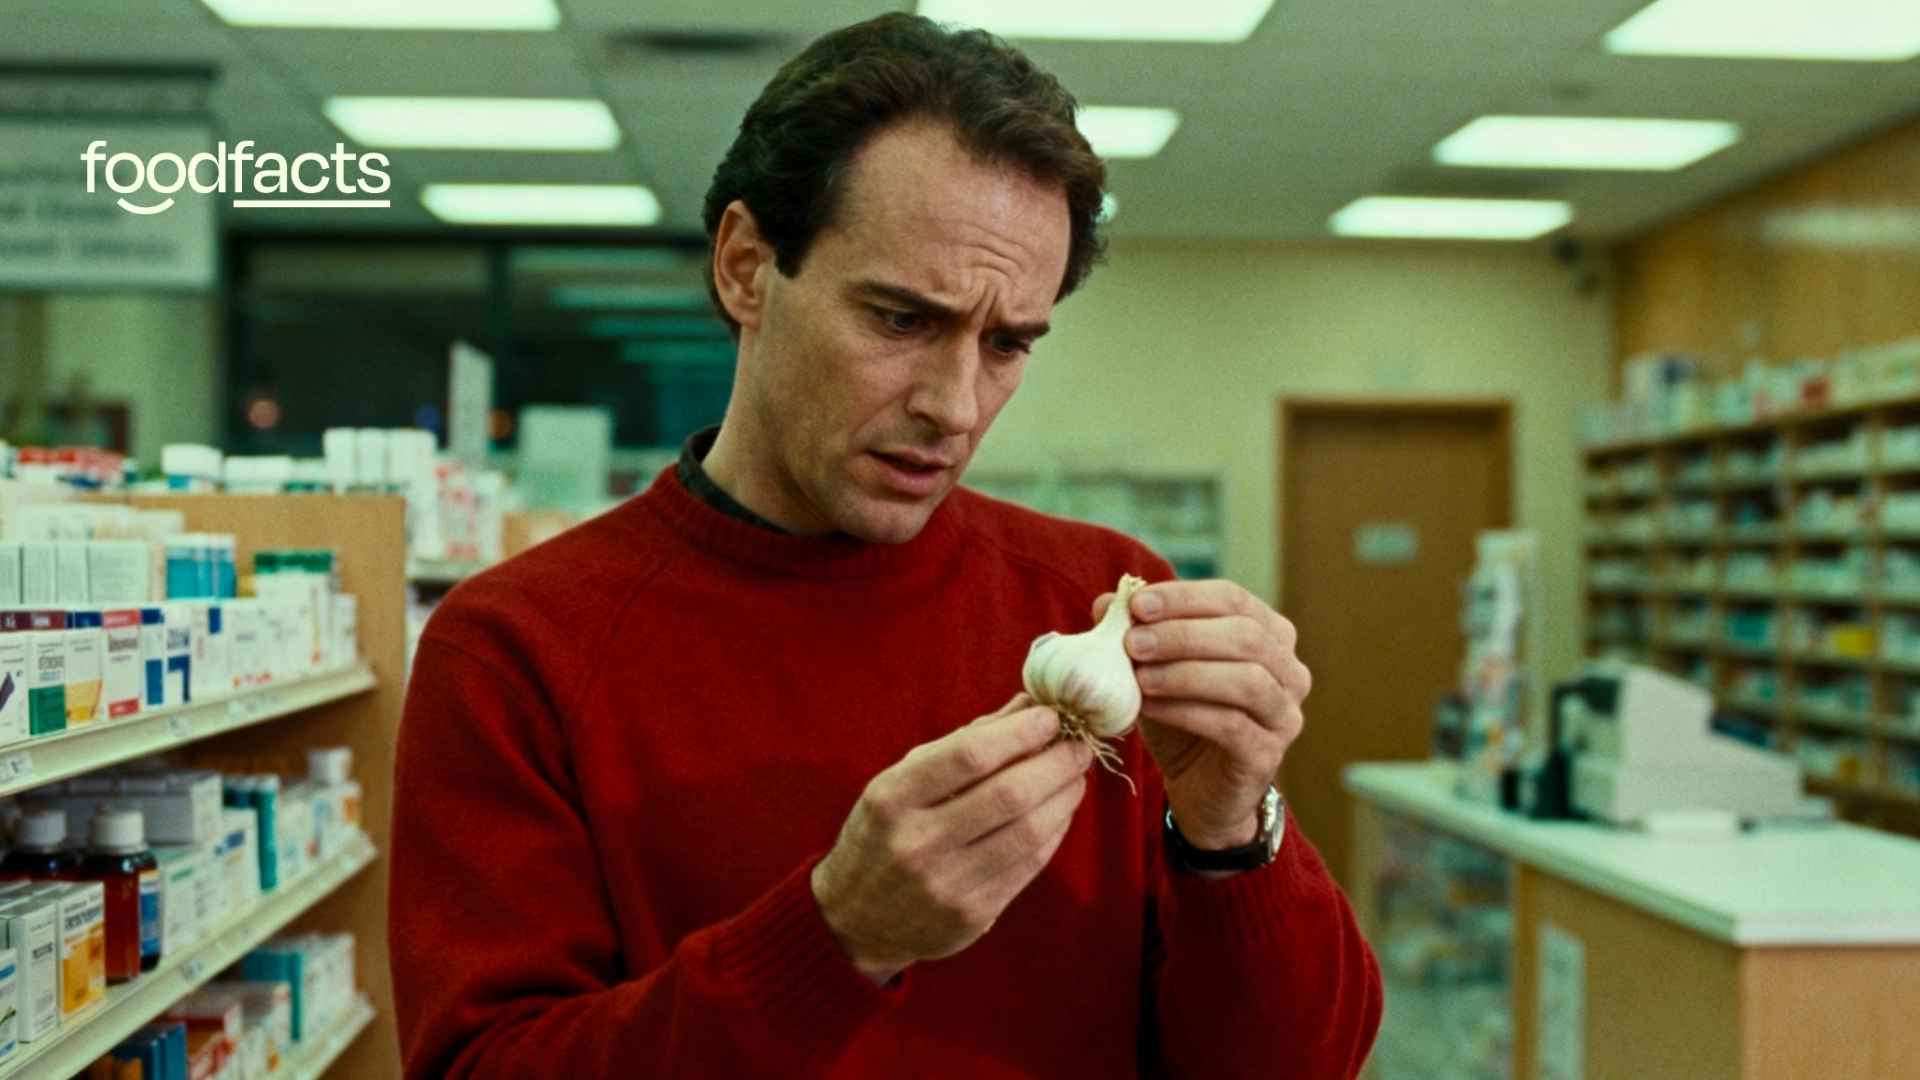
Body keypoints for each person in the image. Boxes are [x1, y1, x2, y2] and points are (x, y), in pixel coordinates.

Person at [390, 13, 1382, 1077]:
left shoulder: (1099, 598)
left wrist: (1231, 833)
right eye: (901, 320)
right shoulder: (515, 648)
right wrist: (835, 940)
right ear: (745, 269)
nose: (954, 406)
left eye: (1007, 344)